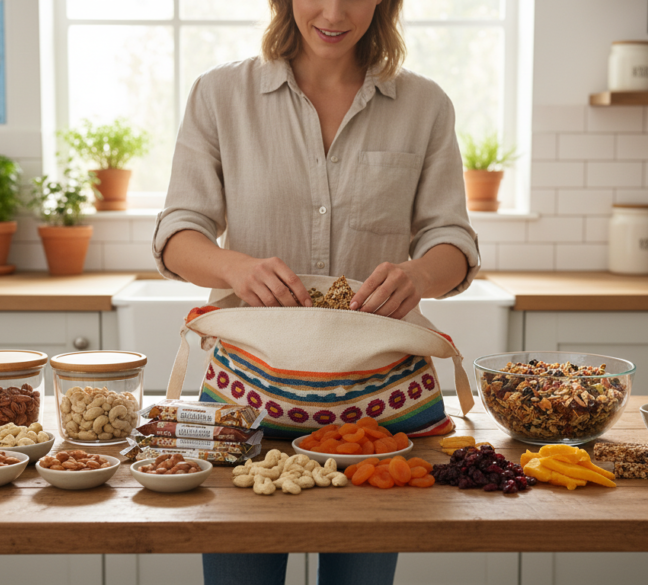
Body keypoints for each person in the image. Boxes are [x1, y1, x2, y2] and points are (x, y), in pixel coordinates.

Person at [153, 0, 480, 582]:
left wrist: (420, 274)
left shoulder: (425, 105)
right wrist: (233, 268)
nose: (334, 12)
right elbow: (178, 231)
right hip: (244, 403)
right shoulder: (220, 94)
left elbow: (450, 236)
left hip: (376, 415)